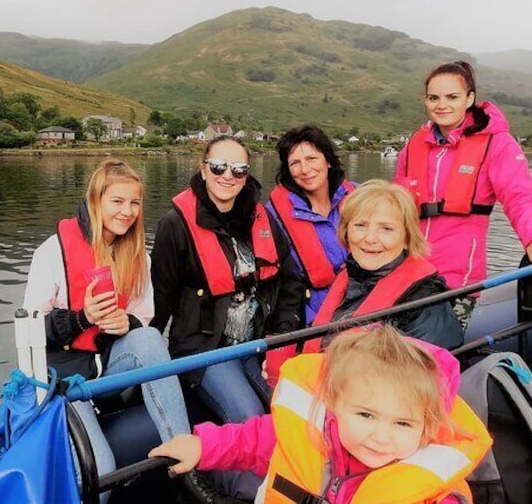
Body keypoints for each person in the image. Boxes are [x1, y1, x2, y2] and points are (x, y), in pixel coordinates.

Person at [149, 325, 492, 503]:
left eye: (403, 423)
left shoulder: (437, 491)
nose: (382, 436)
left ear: (427, 428)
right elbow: (248, 440)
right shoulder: (307, 431)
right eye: (366, 415)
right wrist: (200, 446)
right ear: (334, 403)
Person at [22, 159, 191, 503]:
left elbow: (143, 321)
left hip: (107, 366)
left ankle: (185, 457)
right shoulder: (52, 252)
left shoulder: (136, 255)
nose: (127, 212)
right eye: (117, 201)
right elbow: (30, 333)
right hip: (65, 376)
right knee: (101, 470)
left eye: (134, 203)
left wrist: (125, 323)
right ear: (96, 201)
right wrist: (82, 319)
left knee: (147, 336)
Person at [151, 134, 304, 422]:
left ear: (246, 175)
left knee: (291, 410)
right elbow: (160, 298)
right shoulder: (174, 225)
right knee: (250, 416)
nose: (228, 176)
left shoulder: (262, 219)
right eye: (219, 166)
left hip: (256, 344)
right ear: (203, 168)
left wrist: (281, 338)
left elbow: (290, 282)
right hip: (204, 351)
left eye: (239, 170)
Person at [395, 60, 532, 329]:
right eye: (433, 98)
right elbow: (394, 207)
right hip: (408, 274)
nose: (442, 105)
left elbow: (520, 196)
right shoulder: (413, 146)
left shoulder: (497, 143)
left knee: (439, 351)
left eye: (452, 97)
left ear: (470, 98)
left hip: (456, 280)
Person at [301, 179, 464, 354]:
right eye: (360, 225)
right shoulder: (349, 279)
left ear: (407, 239)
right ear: (346, 231)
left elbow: (427, 371)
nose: (370, 238)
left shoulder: (425, 301)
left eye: (386, 228)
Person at [266, 124, 356, 326]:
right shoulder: (273, 216)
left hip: (364, 301)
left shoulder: (359, 197)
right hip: (311, 314)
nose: (305, 170)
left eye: (312, 159)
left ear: (328, 161)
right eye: (295, 163)